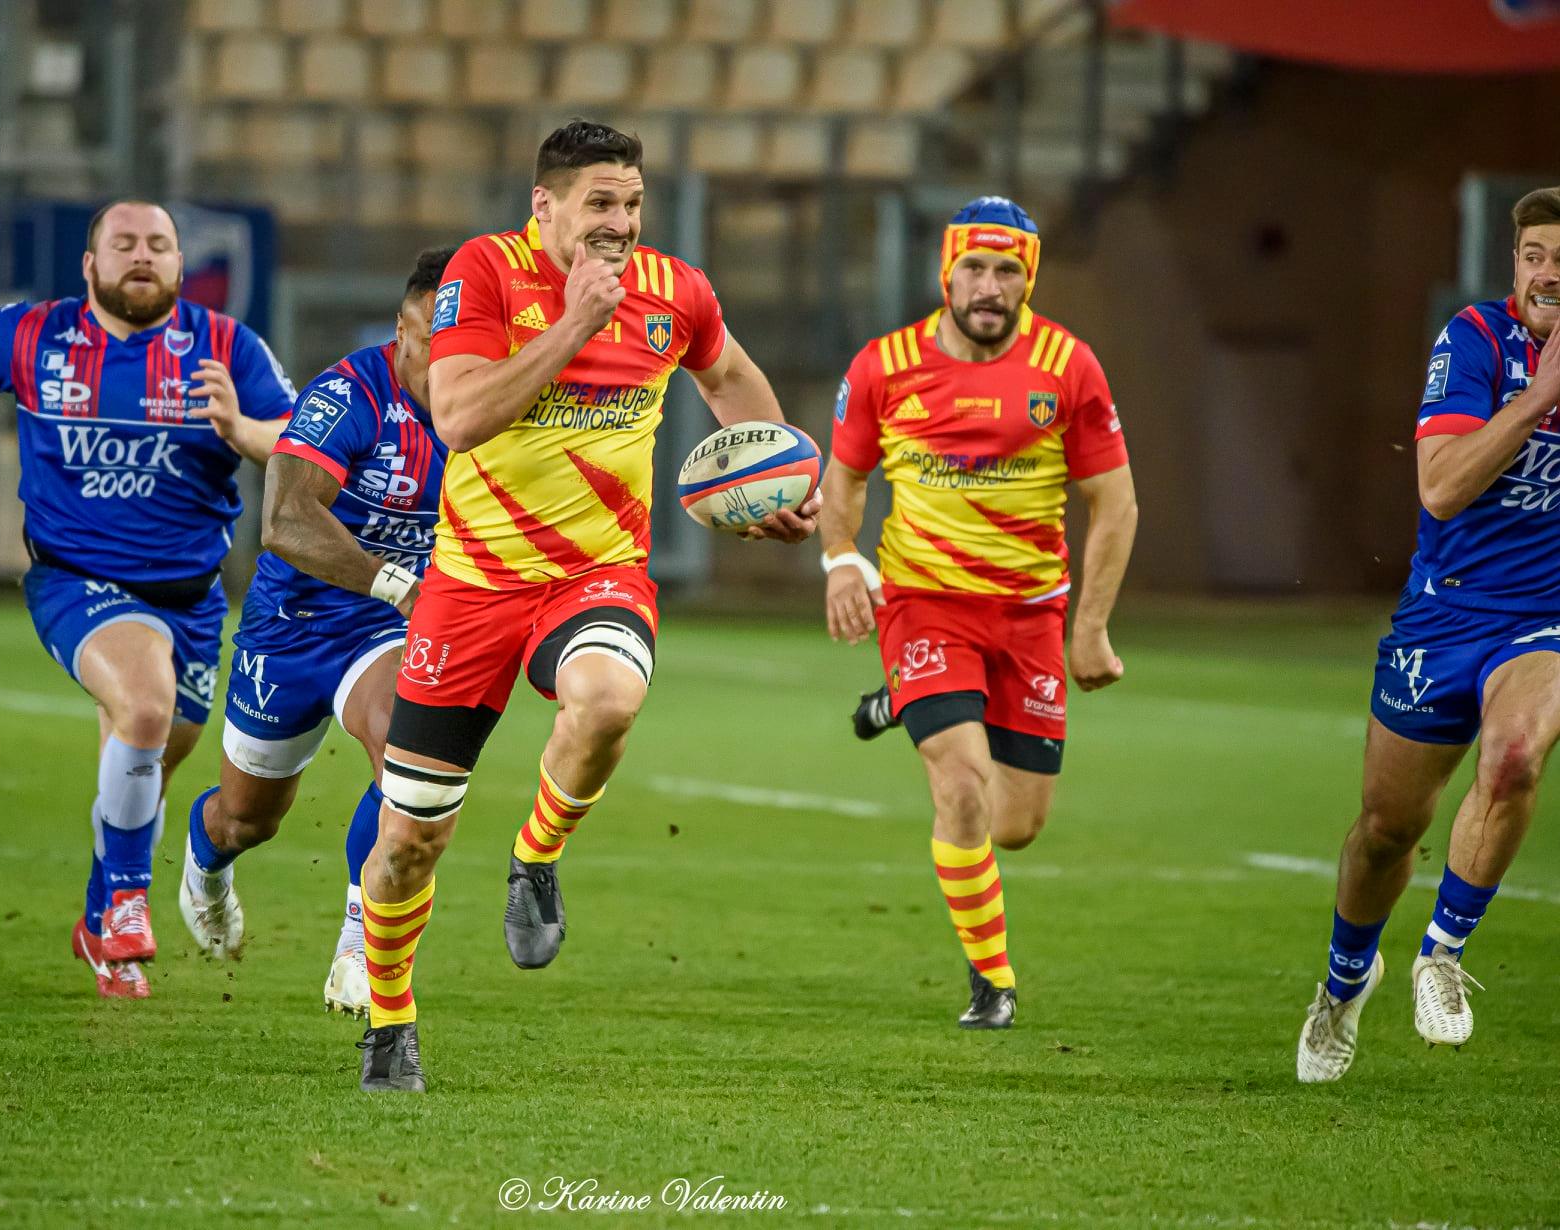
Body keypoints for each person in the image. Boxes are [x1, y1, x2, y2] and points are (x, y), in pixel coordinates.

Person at [355, 120, 818, 1092]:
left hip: (596, 574)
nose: (620, 224)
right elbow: (461, 417)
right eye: (601, 204)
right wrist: (572, 323)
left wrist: (773, 473)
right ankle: (390, 1019)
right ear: (546, 207)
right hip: (471, 589)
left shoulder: (674, 291)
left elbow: (727, 374)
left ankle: (536, 856)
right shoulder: (482, 276)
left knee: (609, 697)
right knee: (409, 842)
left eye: (633, 205)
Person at [0, 200, 296, 998]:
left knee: (147, 756)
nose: (142, 257)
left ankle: (96, 923)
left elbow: (298, 449)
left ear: (182, 266)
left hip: (191, 600)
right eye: (123, 244)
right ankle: (125, 902)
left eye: (159, 245)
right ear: (90, 265)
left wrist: (240, 429)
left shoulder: (227, 348)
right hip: (74, 579)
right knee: (146, 709)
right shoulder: (32, 335)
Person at [819, 196, 1137, 1030]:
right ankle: (992, 983)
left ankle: (903, 703)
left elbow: (1115, 504)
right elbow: (843, 483)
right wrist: (839, 560)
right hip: (924, 606)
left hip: (1030, 616)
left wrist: (1091, 628)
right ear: (946, 273)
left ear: (1027, 278)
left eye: (1007, 271)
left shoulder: (1068, 367)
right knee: (961, 784)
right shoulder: (884, 366)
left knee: (1017, 825)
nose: (989, 287)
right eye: (975, 268)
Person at [1297, 186, 1560, 1082]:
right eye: (1534, 255)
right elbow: (1441, 488)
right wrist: (1540, 401)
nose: (1548, 272)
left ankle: (1442, 953)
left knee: (1517, 755)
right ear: (1515, 262)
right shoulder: (1476, 342)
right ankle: (1341, 986)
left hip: (1545, 620)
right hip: (1444, 615)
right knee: (1385, 829)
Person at [181, 247, 454, 1021]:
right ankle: (206, 864)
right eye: (429, 340)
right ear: (400, 335)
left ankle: (357, 945)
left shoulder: (491, 409)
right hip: (294, 623)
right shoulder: (349, 394)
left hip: (386, 627)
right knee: (248, 817)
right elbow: (287, 521)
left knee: (408, 745)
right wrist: (397, 581)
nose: (445, 360)